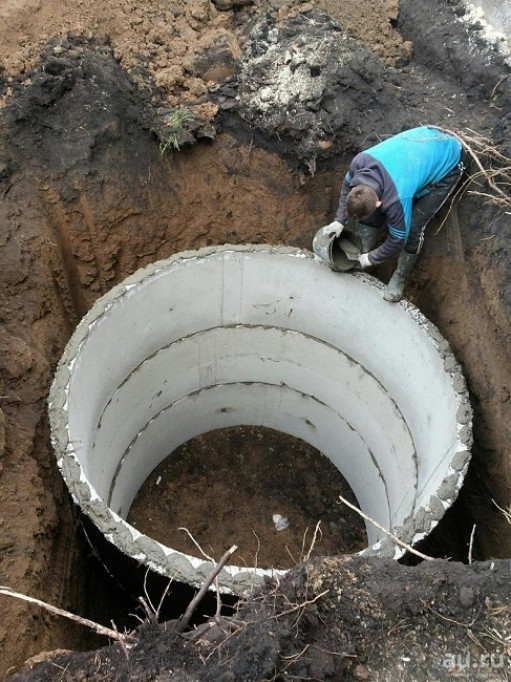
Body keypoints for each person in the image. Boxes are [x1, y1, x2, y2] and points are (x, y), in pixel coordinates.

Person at [317, 126, 466, 302]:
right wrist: (340, 219)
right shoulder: (359, 163)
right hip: (419, 146)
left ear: (380, 202)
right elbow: (345, 189)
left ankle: (400, 276)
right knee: (371, 212)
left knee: (414, 227)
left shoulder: (397, 198)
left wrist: (372, 258)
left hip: (448, 159)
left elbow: (398, 238)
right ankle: (360, 251)